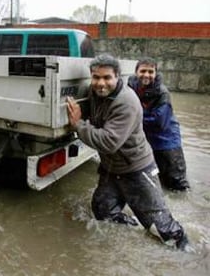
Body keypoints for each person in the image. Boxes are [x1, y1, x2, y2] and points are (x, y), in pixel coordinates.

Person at [66, 54, 189, 250]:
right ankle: (128, 233)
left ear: (117, 77)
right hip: (111, 168)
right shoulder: (94, 92)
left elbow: (108, 142)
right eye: (96, 77)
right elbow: (90, 111)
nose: (101, 83)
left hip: (137, 168)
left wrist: (78, 125)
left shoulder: (127, 101)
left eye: (107, 78)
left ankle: (188, 253)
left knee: (162, 228)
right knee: (103, 211)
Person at [127, 57, 190, 191]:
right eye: (143, 71)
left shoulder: (162, 93)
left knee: (177, 182)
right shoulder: (131, 88)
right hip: (149, 142)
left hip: (167, 141)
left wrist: (131, 119)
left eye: (151, 72)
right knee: (154, 179)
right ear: (136, 72)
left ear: (155, 74)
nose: (146, 75)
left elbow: (159, 122)